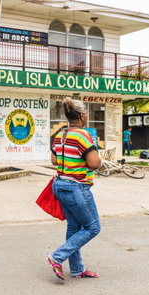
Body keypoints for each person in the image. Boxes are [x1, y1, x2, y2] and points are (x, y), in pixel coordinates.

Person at [48, 97, 102, 281]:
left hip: (60, 185)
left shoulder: (61, 134)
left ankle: (77, 269)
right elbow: (94, 163)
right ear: (81, 116)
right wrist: (96, 159)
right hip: (76, 188)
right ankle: (57, 257)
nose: (86, 115)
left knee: (74, 226)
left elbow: (54, 161)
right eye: (86, 112)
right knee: (93, 227)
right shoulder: (82, 135)